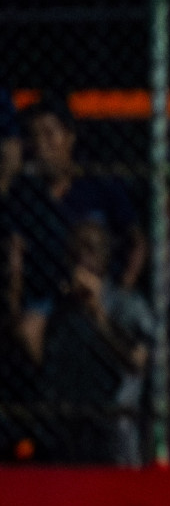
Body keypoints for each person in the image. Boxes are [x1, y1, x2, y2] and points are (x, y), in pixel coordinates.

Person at [6, 97, 146, 363]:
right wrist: (14, 309)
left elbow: (137, 242)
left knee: (120, 332)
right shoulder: (27, 196)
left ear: (69, 137)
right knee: (27, 331)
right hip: (51, 292)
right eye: (34, 136)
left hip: (101, 287)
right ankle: (53, 381)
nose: (42, 145)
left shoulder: (98, 184)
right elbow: (16, 256)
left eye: (50, 134)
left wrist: (123, 288)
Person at [39, 218, 153, 463]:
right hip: (69, 432)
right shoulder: (62, 310)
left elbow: (137, 362)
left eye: (90, 248)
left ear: (105, 256)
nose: (82, 256)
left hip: (115, 429)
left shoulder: (128, 305)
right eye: (76, 249)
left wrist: (99, 315)